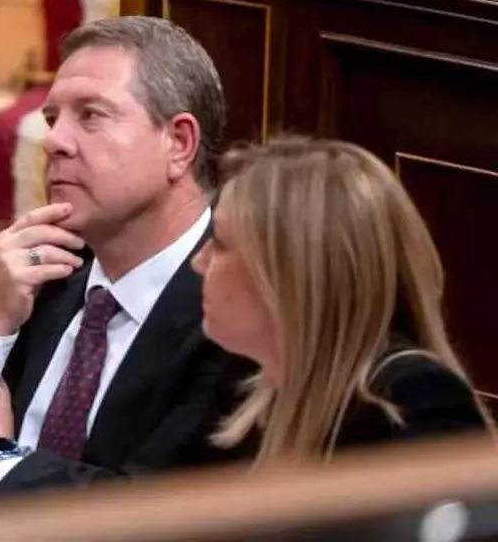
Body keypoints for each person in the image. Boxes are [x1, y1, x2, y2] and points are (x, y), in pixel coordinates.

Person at [0, 16, 252, 508]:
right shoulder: (48, 267)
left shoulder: (237, 306)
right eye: (54, 120)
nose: (54, 141)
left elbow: (151, 515)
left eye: (91, 115)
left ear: (178, 143)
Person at [193, 136, 494, 464]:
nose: (199, 262)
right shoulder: (243, 399)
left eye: (220, 244)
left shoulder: (417, 403)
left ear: (291, 272)